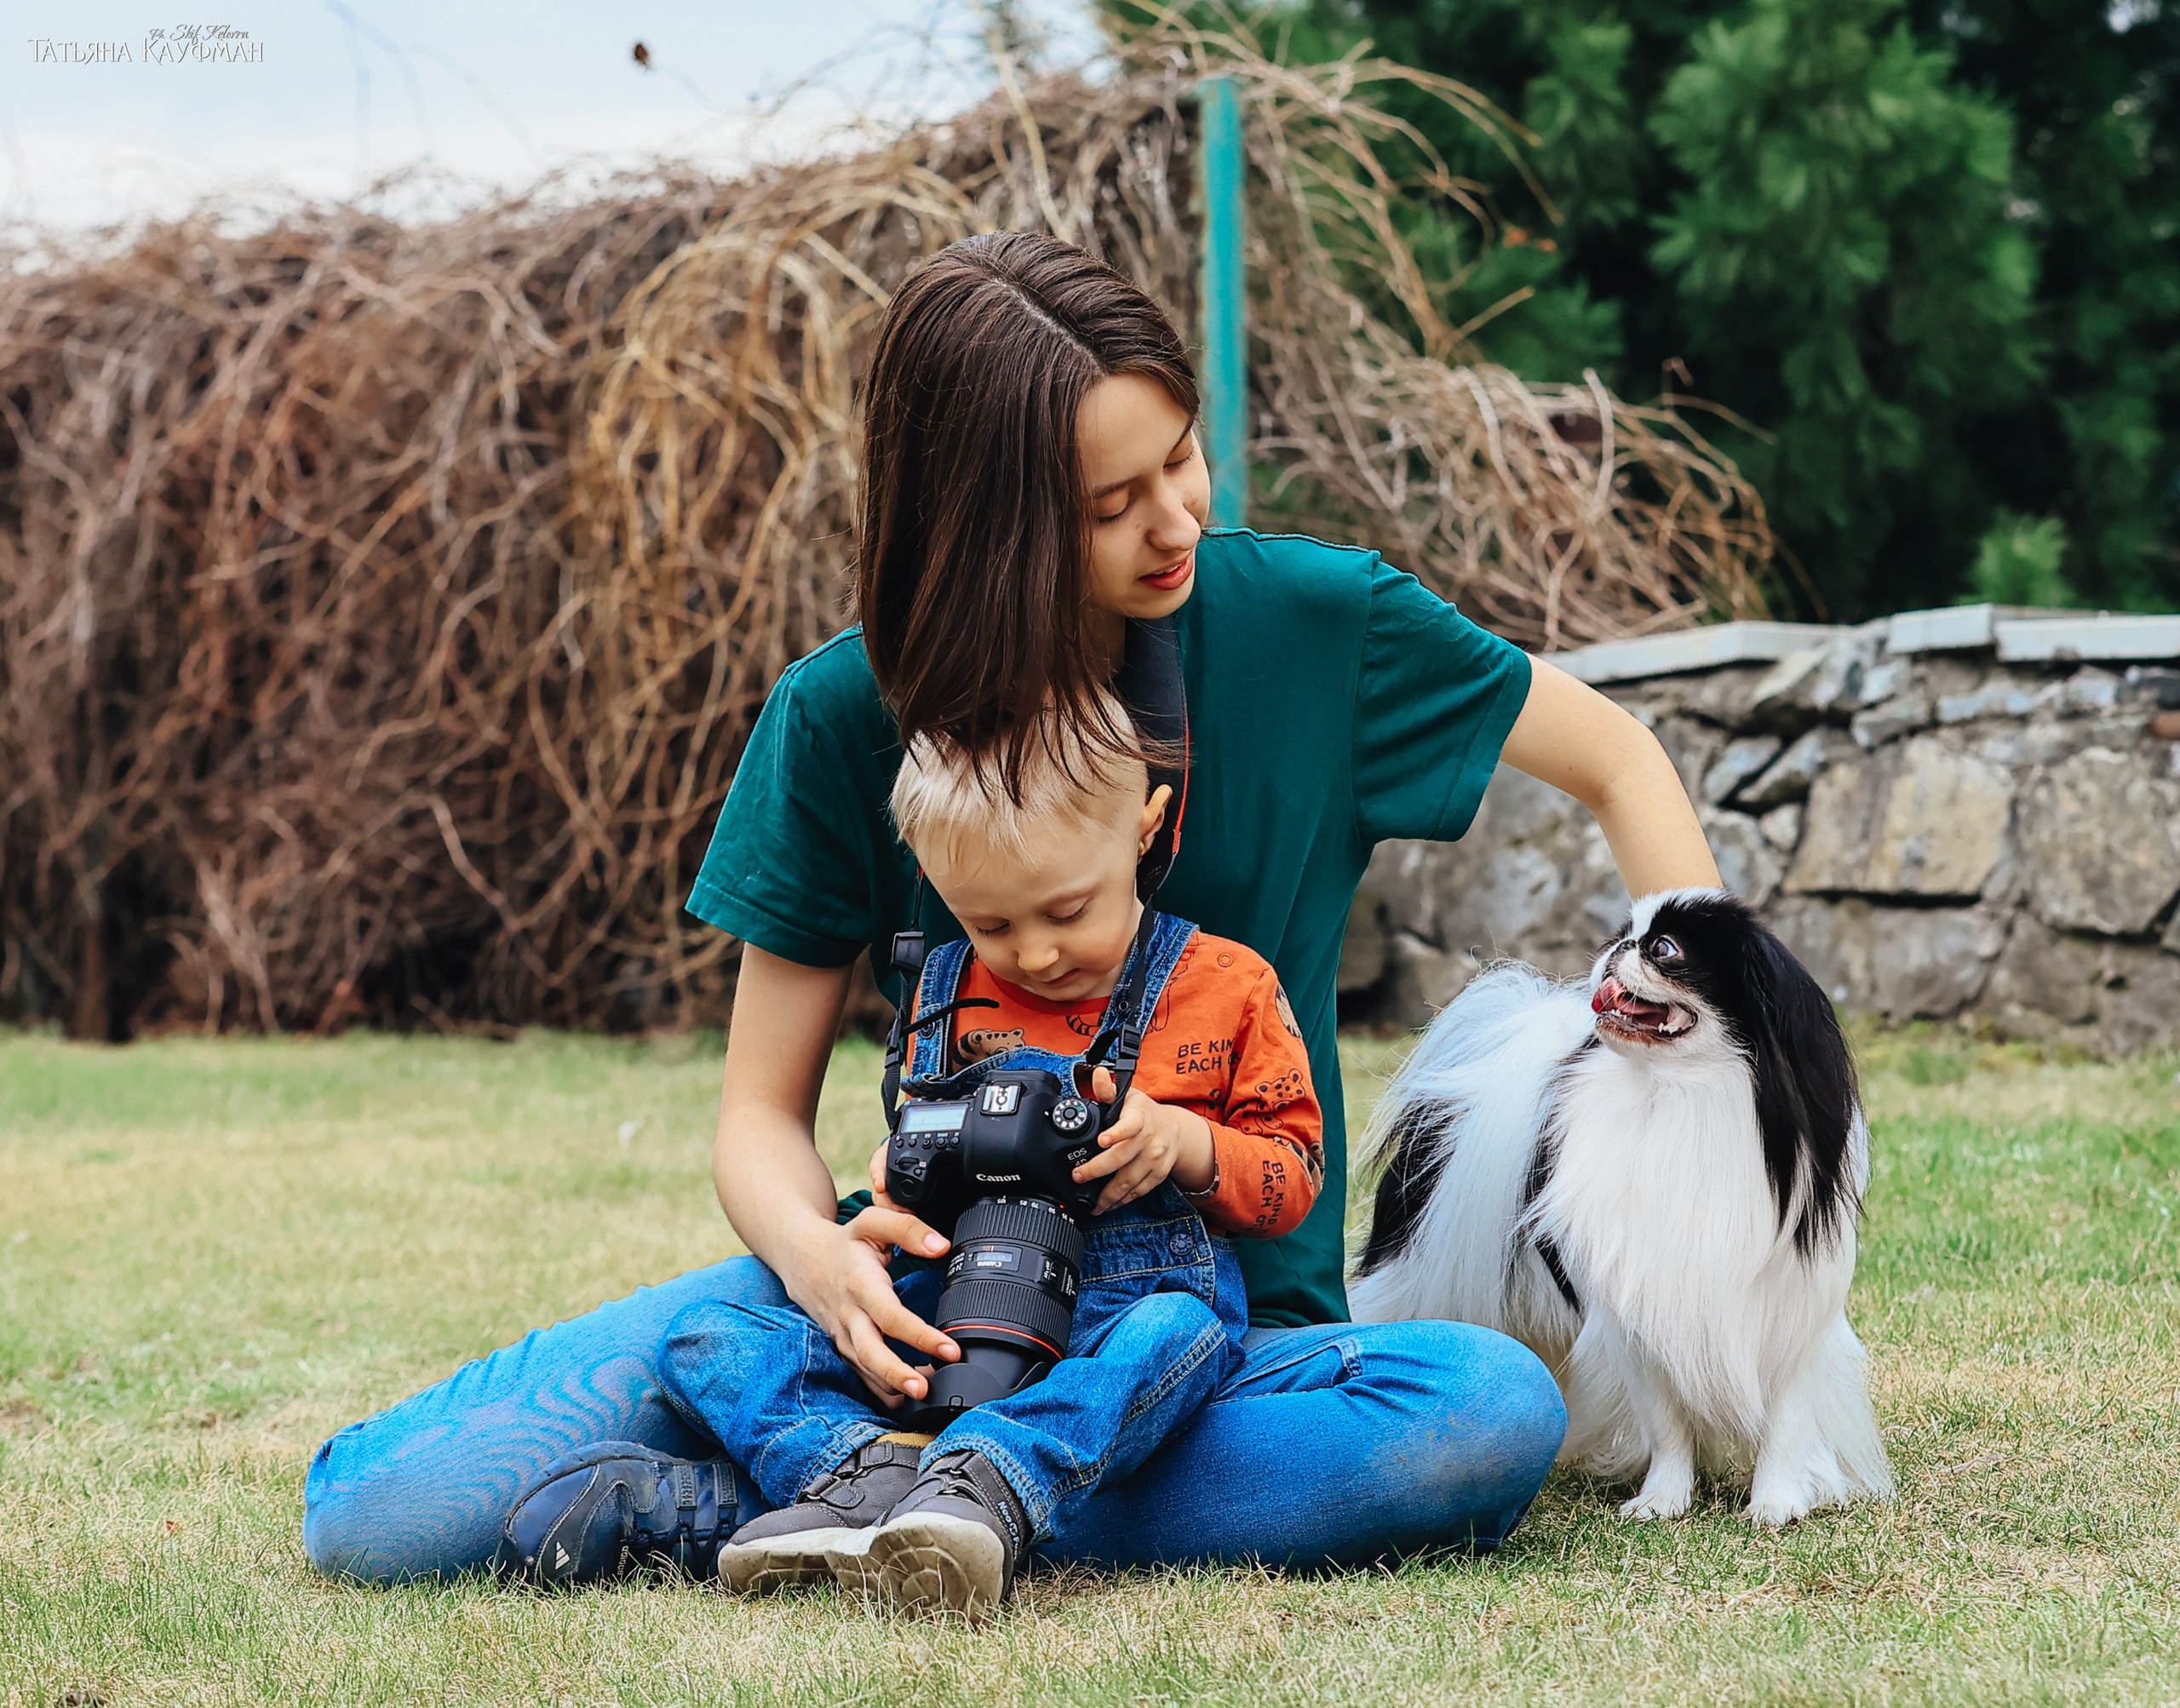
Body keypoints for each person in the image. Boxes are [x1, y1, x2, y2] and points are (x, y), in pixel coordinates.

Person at [302, 231, 1724, 1587]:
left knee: (1482, 1411)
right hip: (911, 1320)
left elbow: (1620, 758)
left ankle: (825, 1501)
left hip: (1207, 1351)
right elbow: (755, 1116)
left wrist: (1722, 1090)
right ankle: (911, 1473)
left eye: (1181, 456)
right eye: (1111, 505)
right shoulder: (837, 714)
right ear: (987, 526)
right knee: (376, 1509)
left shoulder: (1315, 624)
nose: (1177, 520)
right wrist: (818, 1262)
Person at [688, 696, 1322, 1616]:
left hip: (1124, 1309)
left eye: (1068, 909)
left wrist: (1183, 1144)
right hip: (951, 1298)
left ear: (1145, 827)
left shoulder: (1228, 986)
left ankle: (986, 1485)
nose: (1036, 952)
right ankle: (863, 1475)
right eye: (989, 924)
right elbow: (911, 1151)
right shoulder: (944, 987)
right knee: (707, 1334)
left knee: (1177, 1335)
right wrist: (903, 1176)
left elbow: (1294, 1178)